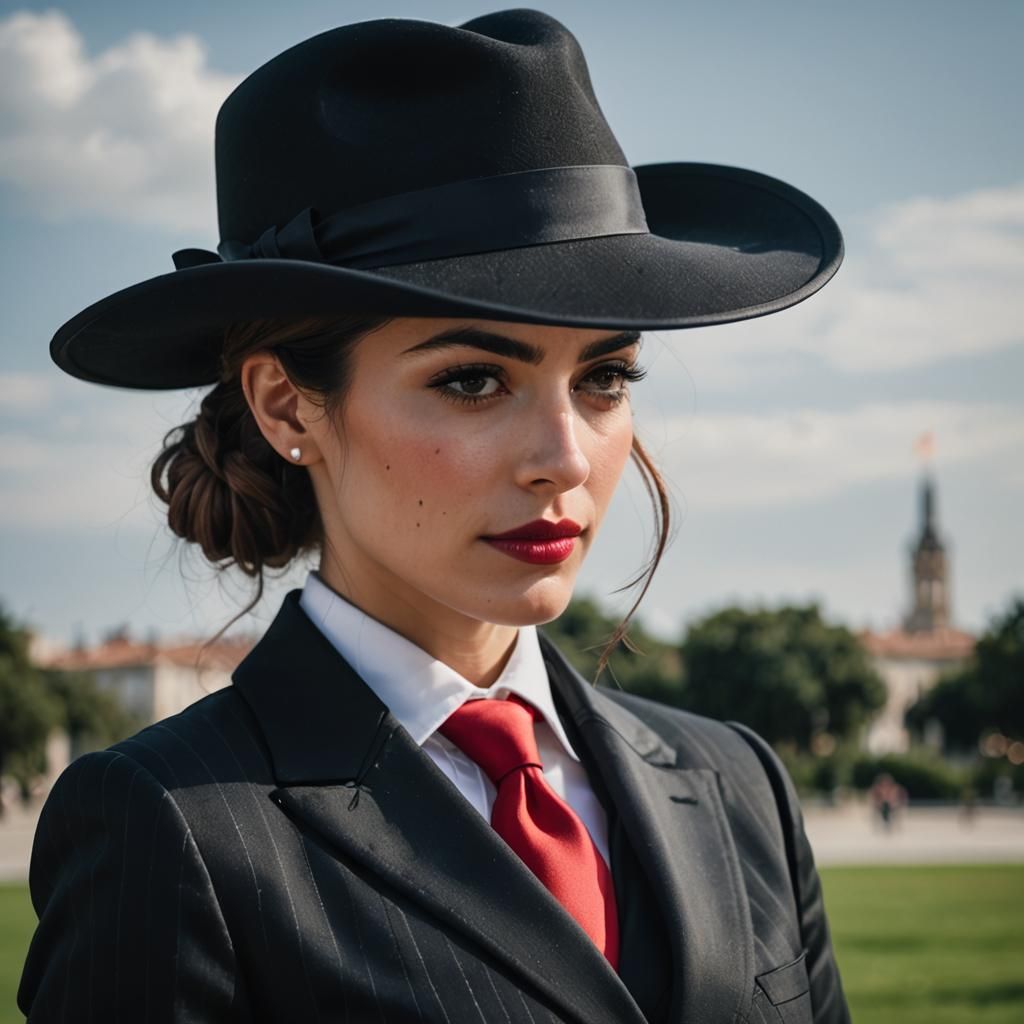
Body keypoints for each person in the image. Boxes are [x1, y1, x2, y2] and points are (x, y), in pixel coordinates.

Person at [18, 10, 850, 1023]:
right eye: (470, 380)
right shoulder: (168, 823)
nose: (563, 458)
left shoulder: (738, 785)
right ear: (287, 405)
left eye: (606, 375)